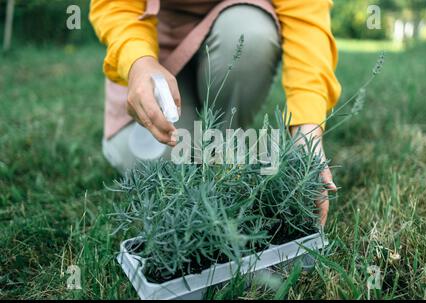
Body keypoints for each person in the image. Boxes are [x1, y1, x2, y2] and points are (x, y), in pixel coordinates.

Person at [89, 0, 341, 225]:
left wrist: (308, 135)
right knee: (166, 177)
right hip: (152, 42)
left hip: (234, 28)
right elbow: (116, 6)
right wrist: (137, 62)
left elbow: (306, 13)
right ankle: (217, 152)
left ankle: (224, 151)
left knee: (251, 36)